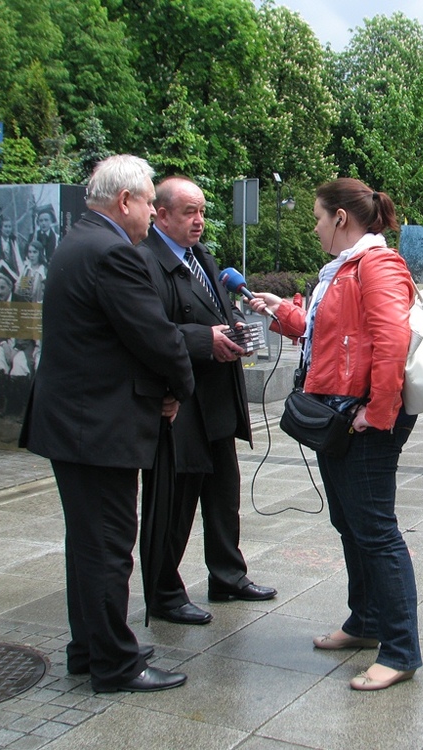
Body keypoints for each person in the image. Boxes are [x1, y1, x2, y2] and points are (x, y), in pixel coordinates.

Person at [19, 154, 194, 693]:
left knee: (88, 543)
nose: (152, 212)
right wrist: (178, 389)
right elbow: (156, 336)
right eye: (149, 202)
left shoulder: (79, 241)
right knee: (109, 545)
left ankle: (90, 649)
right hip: (96, 427)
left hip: (76, 423)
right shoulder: (113, 252)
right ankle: (116, 664)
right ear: (125, 201)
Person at [247, 177, 420, 692]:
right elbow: (331, 334)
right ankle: (365, 622)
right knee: (350, 523)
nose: (315, 227)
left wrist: (378, 413)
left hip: (361, 419)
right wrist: (282, 311)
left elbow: (392, 341)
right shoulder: (343, 269)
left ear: (340, 217)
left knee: (376, 531)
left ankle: (401, 650)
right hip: (340, 414)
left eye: (319, 218)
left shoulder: (376, 264)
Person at [141, 176, 276, 626]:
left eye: (201, 211)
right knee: (175, 506)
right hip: (179, 404)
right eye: (188, 212)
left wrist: (235, 326)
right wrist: (205, 339)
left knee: (223, 497)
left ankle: (228, 576)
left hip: (218, 399)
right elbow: (147, 330)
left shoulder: (201, 256)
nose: (198, 221)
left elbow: (218, 310)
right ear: (161, 215)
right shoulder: (145, 260)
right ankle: (164, 592)